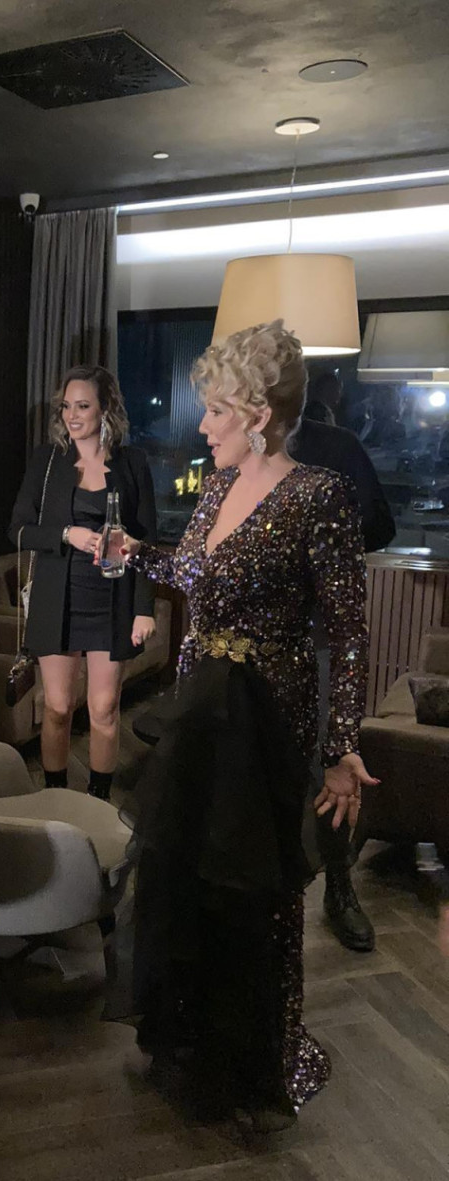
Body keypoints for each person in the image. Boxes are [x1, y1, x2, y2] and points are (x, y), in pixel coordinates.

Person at [119, 321, 377, 1129]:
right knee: (189, 875)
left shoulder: (318, 495)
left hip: (266, 722)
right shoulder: (217, 487)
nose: (203, 425)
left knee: (254, 892)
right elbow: (190, 572)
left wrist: (341, 745)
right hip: (200, 712)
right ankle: (193, 1040)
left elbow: (348, 631)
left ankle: (257, 1056)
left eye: (217, 410)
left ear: (259, 415)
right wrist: (132, 552)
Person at [8, 365, 157, 801]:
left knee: (104, 709)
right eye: (66, 406)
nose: (72, 416)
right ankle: (56, 798)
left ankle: (98, 801)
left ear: (105, 408)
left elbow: (147, 540)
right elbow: (17, 530)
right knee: (57, 708)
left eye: (83, 406)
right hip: (58, 598)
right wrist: (65, 534)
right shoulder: (46, 461)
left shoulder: (133, 463)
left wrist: (143, 608)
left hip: (112, 600)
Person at [292, 415, 396, 952]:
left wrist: (323, 544)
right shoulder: (236, 450)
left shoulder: (337, 445)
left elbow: (382, 526)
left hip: (318, 634)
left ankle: (338, 886)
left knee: (328, 762)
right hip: (252, 644)